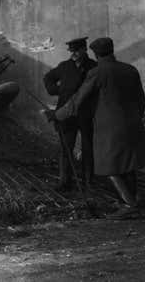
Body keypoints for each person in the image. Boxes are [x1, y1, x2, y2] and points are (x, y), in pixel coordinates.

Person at [45, 37, 145, 220]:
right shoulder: (130, 70)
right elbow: (141, 100)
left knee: (110, 166)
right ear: (112, 50)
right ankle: (130, 199)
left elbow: (76, 102)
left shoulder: (97, 72)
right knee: (129, 164)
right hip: (133, 124)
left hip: (110, 128)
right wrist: (135, 118)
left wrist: (56, 115)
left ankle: (130, 205)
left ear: (95, 54)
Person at [43, 37, 97, 191]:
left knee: (88, 148)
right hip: (66, 115)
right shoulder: (65, 66)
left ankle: (88, 182)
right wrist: (57, 90)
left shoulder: (94, 67)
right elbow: (48, 77)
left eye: (76, 51)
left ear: (84, 49)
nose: (73, 54)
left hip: (87, 114)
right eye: (71, 51)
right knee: (66, 147)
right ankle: (65, 181)